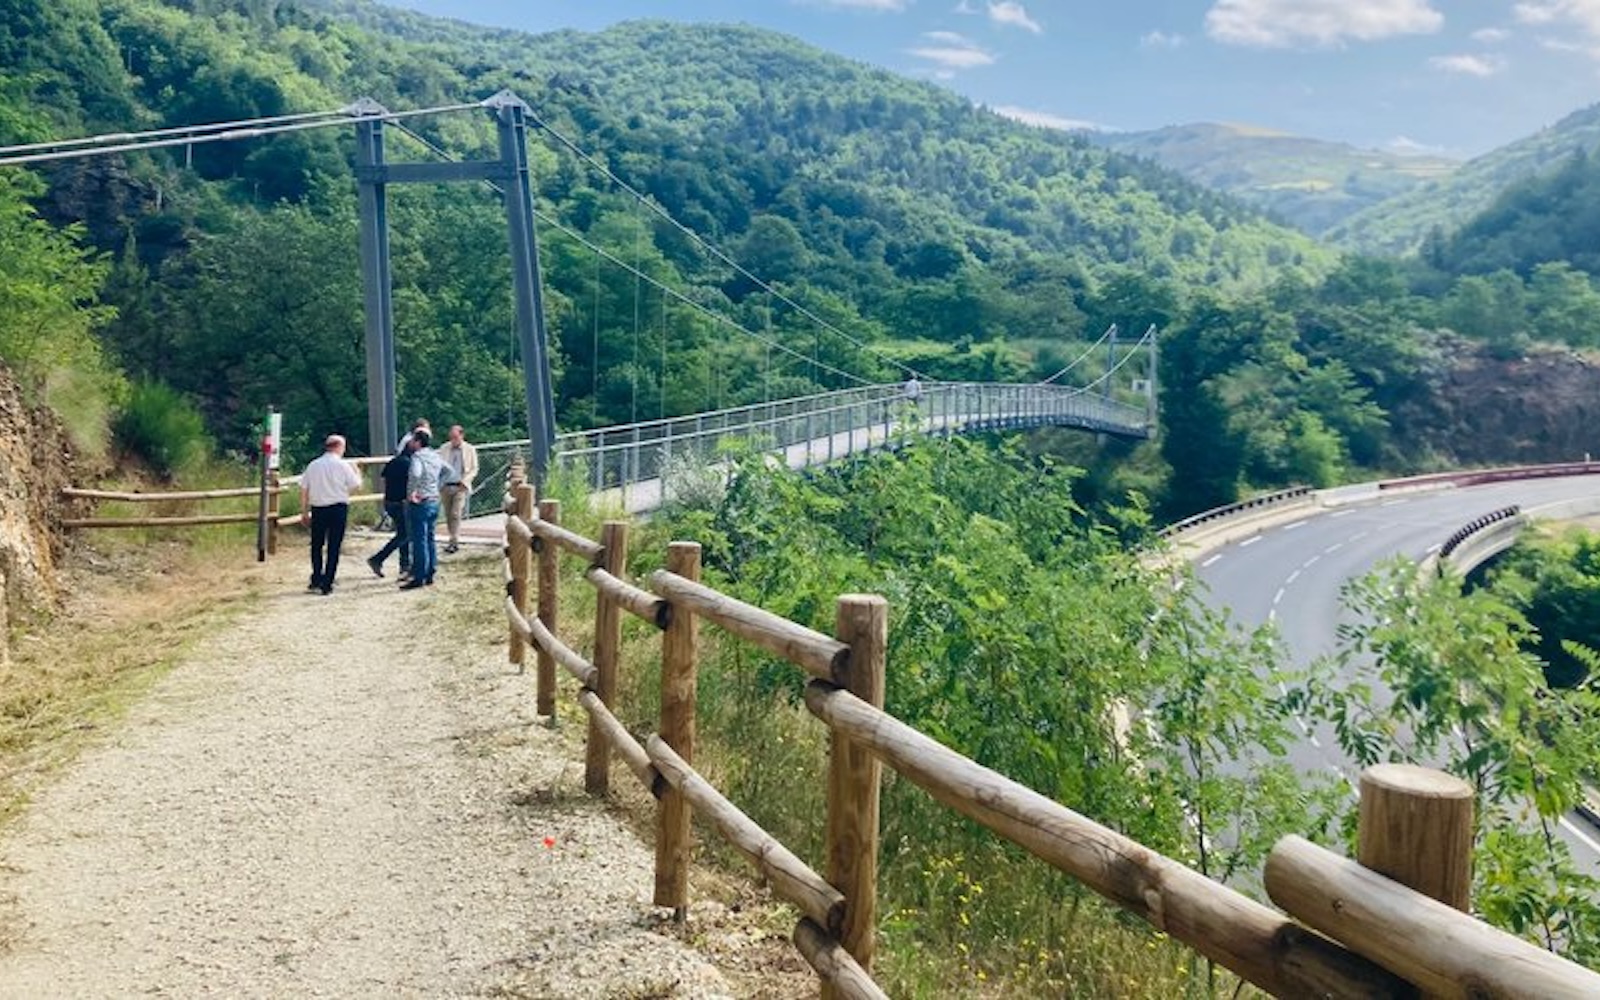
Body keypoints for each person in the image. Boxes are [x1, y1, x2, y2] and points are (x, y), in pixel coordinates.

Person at [298, 434, 362, 595]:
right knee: (334, 546)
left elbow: (304, 489)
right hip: (338, 508)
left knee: (316, 545)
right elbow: (356, 485)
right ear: (339, 447)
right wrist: (357, 471)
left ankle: (316, 577)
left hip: (318, 508)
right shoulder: (343, 465)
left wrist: (304, 511)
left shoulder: (313, 465)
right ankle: (328, 582)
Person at [367, 435, 417, 580]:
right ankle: (378, 559)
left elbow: (384, 479)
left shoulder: (393, 461)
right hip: (401, 502)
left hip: (389, 501)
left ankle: (404, 564)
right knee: (405, 534)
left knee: (402, 533)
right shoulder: (410, 464)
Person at [401, 427, 444, 590]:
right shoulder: (435, 455)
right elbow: (448, 471)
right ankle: (430, 571)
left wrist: (412, 492)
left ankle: (419, 575)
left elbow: (416, 474)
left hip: (421, 501)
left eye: (413, 440)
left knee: (419, 539)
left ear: (418, 442)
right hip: (434, 499)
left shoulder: (417, 457)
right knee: (430, 537)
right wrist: (437, 486)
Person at [437, 424, 478, 554]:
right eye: (451, 437)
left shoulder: (470, 449)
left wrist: (465, 481)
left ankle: (454, 540)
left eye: (455, 437)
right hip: (446, 485)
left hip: (460, 486)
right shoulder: (444, 448)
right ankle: (452, 537)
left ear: (461, 436)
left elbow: (474, 468)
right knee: (448, 514)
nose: (453, 440)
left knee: (456, 513)